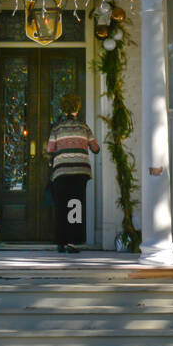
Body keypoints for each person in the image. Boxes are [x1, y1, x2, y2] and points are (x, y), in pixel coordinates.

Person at [46, 92, 99, 253]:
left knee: (61, 206)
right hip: (80, 171)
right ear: (77, 108)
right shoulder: (84, 127)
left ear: (63, 108)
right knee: (75, 205)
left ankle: (60, 242)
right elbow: (95, 148)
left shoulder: (57, 128)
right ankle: (72, 242)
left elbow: (50, 149)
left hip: (61, 172)